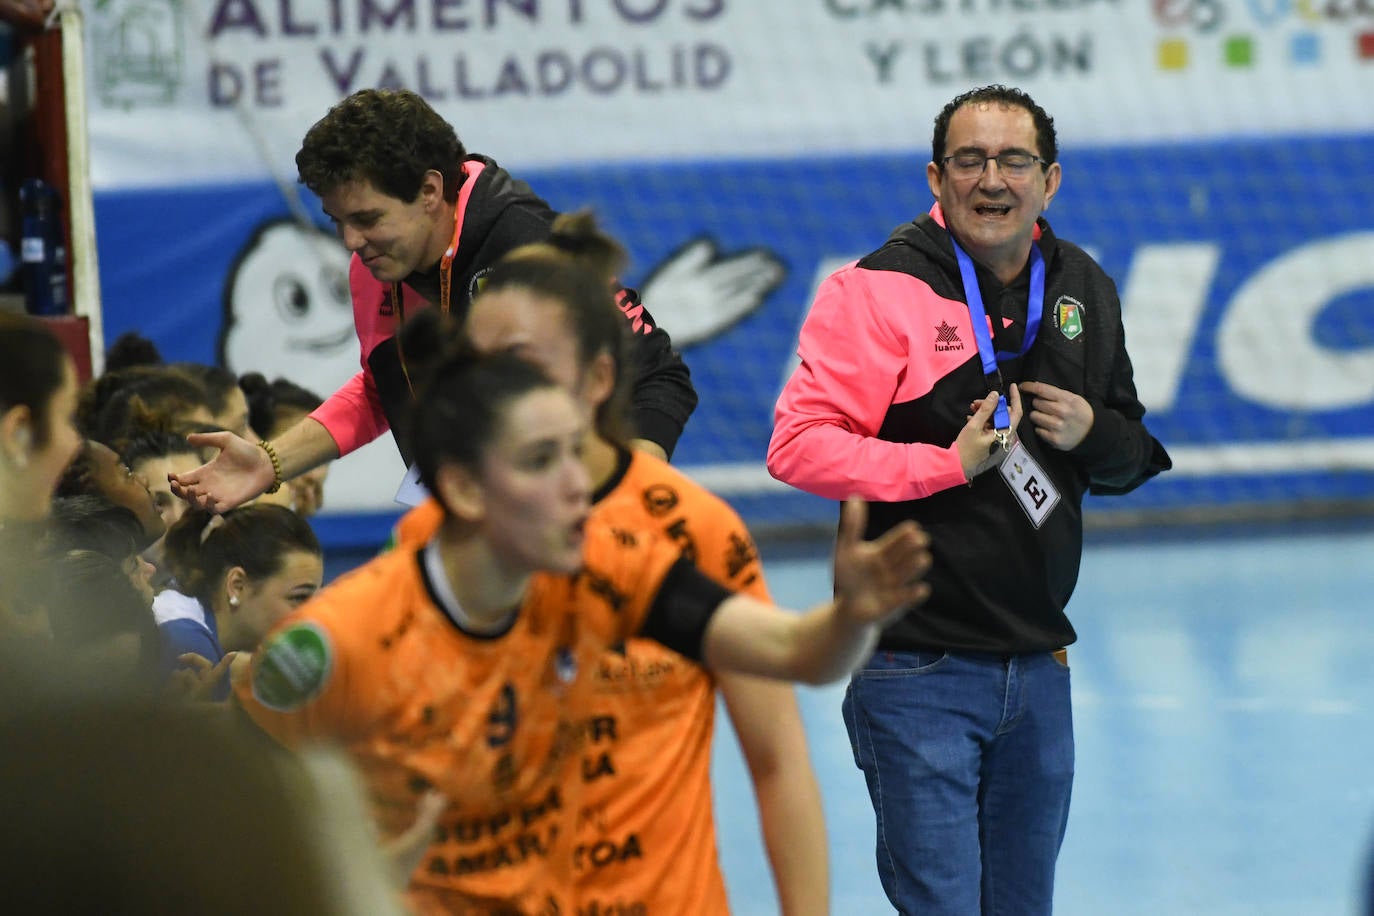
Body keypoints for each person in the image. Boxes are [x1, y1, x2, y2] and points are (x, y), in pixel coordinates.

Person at [233, 346, 930, 915]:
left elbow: (793, 652)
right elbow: (221, 826)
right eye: (541, 460)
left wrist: (852, 618)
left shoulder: (612, 570)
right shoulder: (340, 639)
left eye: (577, 451)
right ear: (466, 489)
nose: (578, 484)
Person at [766, 85, 1172, 915]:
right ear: (937, 177)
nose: (992, 179)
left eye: (1013, 160)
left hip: (1038, 662)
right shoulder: (876, 290)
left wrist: (1094, 430)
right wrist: (942, 466)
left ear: (1049, 181)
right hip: (916, 665)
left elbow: (1132, 457)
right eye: (969, 160)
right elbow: (797, 446)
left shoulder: (1083, 287)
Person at [393, 215, 827, 915]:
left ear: (599, 377)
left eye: (521, 360)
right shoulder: (430, 541)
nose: (494, 387)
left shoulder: (695, 530)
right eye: (480, 362)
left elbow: (778, 758)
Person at [169, 88, 696, 513]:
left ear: (428, 191)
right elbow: (383, 386)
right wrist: (269, 461)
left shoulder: (528, 246)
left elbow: (657, 378)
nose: (350, 243)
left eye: (367, 219)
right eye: (338, 222)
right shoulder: (372, 267)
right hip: (474, 519)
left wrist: (627, 507)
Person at [154, 504, 323, 689]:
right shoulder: (187, 644)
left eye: (317, 599)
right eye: (299, 598)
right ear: (237, 586)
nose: (313, 617)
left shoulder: (196, 631)